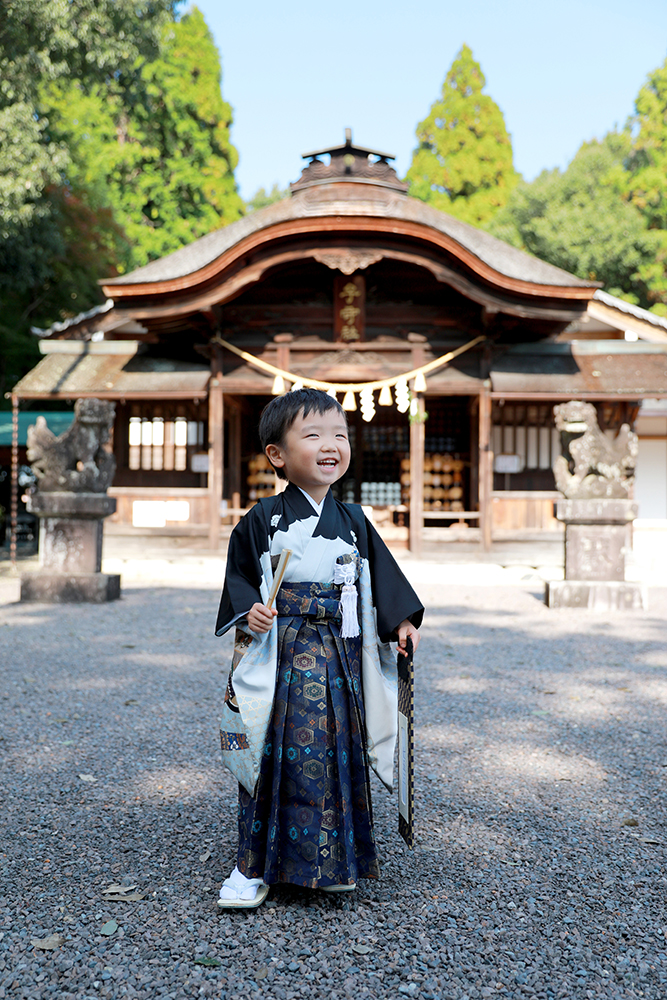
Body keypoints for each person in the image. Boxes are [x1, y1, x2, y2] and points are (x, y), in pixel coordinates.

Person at [215, 387, 423, 908]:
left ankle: (334, 860)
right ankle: (252, 865)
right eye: (313, 435)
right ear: (277, 455)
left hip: (341, 655)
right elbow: (240, 579)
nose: (331, 445)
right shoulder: (263, 519)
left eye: (340, 435)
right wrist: (251, 611)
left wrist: (400, 621)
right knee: (268, 751)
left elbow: (384, 583)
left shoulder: (353, 520)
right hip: (281, 652)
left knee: (336, 752)